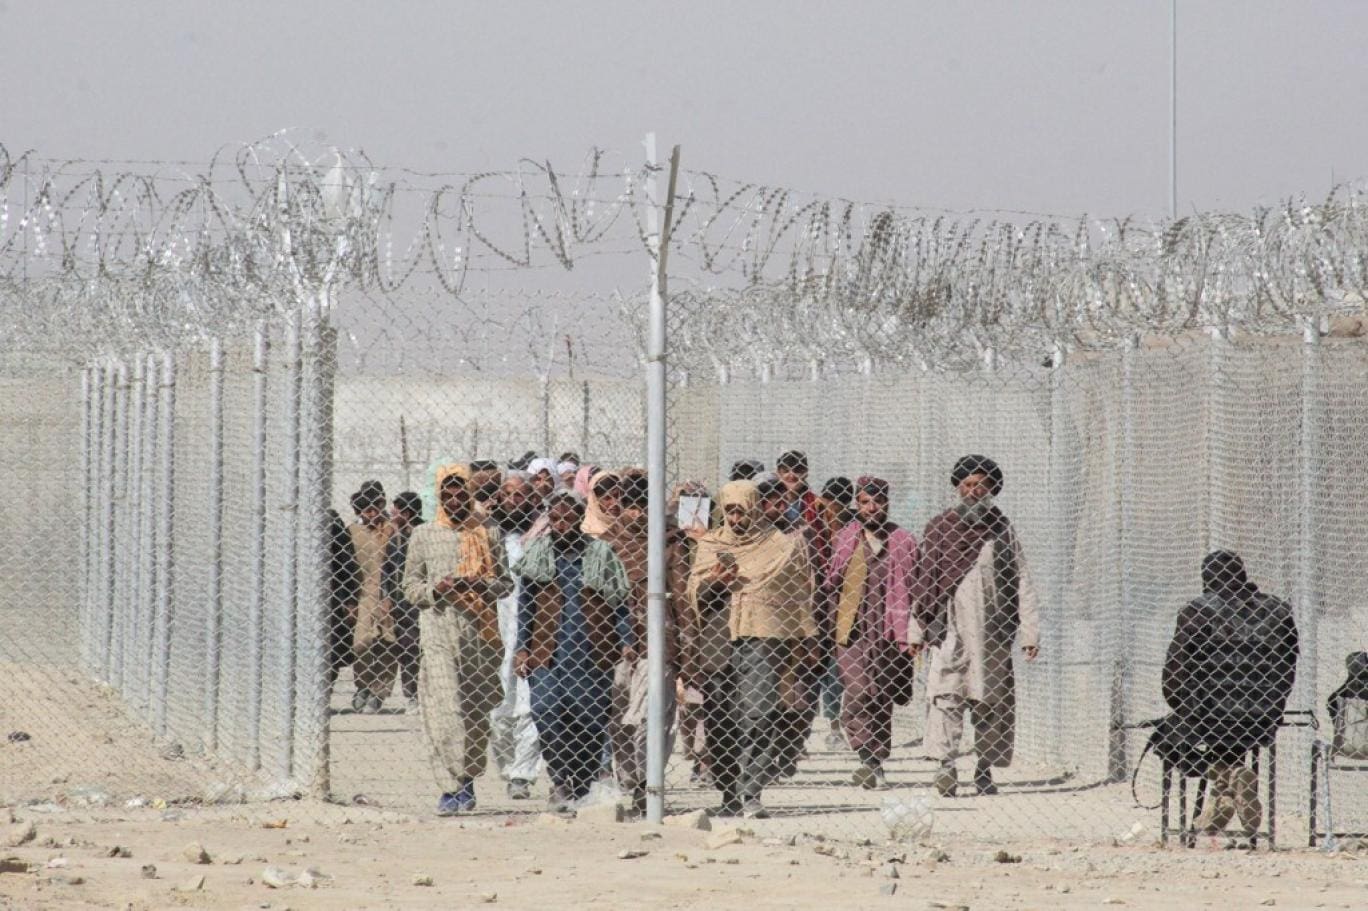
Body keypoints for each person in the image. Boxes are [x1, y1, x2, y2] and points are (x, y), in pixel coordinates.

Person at [687, 480, 818, 819]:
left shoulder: (780, 545)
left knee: (759, 714)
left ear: (756, 508)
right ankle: (729, 793)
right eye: (730, 511)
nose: (736, 518)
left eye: (742, 511)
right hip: (718, 641)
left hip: (763, 639)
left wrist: (804, 643)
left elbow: (797, 592)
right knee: (720, 719)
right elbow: (695, 594)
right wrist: (716, 582)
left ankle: (751, 791)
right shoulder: (712, 544)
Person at [912, 455, 1040, 798]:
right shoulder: (940, 528)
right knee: (945, 697)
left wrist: (1029, 632)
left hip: (991, 634)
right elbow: (923, 583)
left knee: (990, 703)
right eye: (967, 485)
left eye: (981, 486)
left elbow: (1022, 580)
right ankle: (946, 765)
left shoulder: (1002, 530)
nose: (973, 491)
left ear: (992, 490)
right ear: (958, 488)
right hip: (948, 632)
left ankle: (984, 768)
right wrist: (916, 631)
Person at [1162, 551, 1299, 839]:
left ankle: (1223, 785)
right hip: (1261, 719)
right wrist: (1272, 705)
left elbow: (1174, 673)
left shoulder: (1196, 612)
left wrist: (1181, 706)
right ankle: (1230, 780)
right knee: (1233, 724)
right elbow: (1287, 671)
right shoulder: (1279, 611)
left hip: (1207, 718)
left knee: (1178, 732)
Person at [401, 465, 512, 815]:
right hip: (438, 631)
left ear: (469, 494)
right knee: (446, 710)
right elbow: (410, 587)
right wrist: (437, 589)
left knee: (476, 712)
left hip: (480, 635)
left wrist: (481, 585)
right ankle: (451, 785)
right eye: (446, 495)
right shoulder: (424, 534)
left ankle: (468, 779)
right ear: (438, 496)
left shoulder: (488, 531)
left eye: (460, 494)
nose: (453, 500)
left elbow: (506, 583)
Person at [515, 490, 633, 810]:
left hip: (592, 654)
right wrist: (522, 648)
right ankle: (559, 781)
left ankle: (582, 785)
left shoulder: (601, 553)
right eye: (555, 518)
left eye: (568, 518)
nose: (561, 524)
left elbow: (619, 602)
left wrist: (625, 640)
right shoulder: (537, 554)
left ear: (580, 518)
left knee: (590, 721)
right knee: (547, 712)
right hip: (547, 653)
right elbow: (525, 607)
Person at [823, 477, 919, 789]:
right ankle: (864, 751)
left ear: (887, 504)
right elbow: (831, 585)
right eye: (865, 502)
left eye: (877, 502)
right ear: (857, 504)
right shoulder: (846, 539)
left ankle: (875, 760)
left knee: (882, 695)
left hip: (889, 631)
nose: (872, 508)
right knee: (860, 690)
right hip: (851, 629)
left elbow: (916, 588)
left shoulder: (902, 541)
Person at [600, 472, 687, 813]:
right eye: (630, 507)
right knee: (619, 719)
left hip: (658, 641)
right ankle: (631, 781)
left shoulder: (669, 542)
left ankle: (649, 782)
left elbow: (681, 597)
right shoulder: (607, 544)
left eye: (643, 507)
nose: (637, 515)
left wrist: (686, 649)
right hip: (615, 645)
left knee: (651, 717)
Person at [488, 472, 544, 799]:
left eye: (519, 495)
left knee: (529, 706)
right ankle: (508, 766)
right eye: (506, 494)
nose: (512, 501)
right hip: (494, 633)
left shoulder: (542, 536)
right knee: (498, 709)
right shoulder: (487, 536)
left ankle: (522, 774)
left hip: (531, 634)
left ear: (531, 499)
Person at [816, 476, 856, 748]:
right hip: (820, 606)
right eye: (830, 503)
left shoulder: (855, 529)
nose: (833, 509)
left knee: (842, 668)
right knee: (827, 668)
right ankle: (833, 725)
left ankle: (843, 724)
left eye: (838, 504)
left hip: (846, 606)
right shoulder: (816, 527)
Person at [349, 480, 395, 714]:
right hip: (363, 595)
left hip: (389, 593)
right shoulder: (352, 532)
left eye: (375, 508)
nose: (372, 514)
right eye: (367, 509)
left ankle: (379, 692)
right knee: (361, 643)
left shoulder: (391, 529)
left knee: (388, 643)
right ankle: (363, 685)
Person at [382, 491, 424, 710]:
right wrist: (386, 597)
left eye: (396, 510)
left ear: (406, 513)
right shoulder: (395, 539)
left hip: (423, 601)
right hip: (402, 605)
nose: (392, 513)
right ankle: (412, 694)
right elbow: (387, 570)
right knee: (407, 649)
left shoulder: (424, 535)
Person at [326, 508, 360, 688]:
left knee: (331, 645)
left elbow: (346, 566)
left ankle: (325, 688)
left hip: (331, 595)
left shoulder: (330, 520)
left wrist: (350, 600)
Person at [583, 470, 621, 537]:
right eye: (607, 498)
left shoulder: (630, 519)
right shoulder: (589, 529)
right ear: (595, 501)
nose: (615, 503)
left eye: (617, 496)